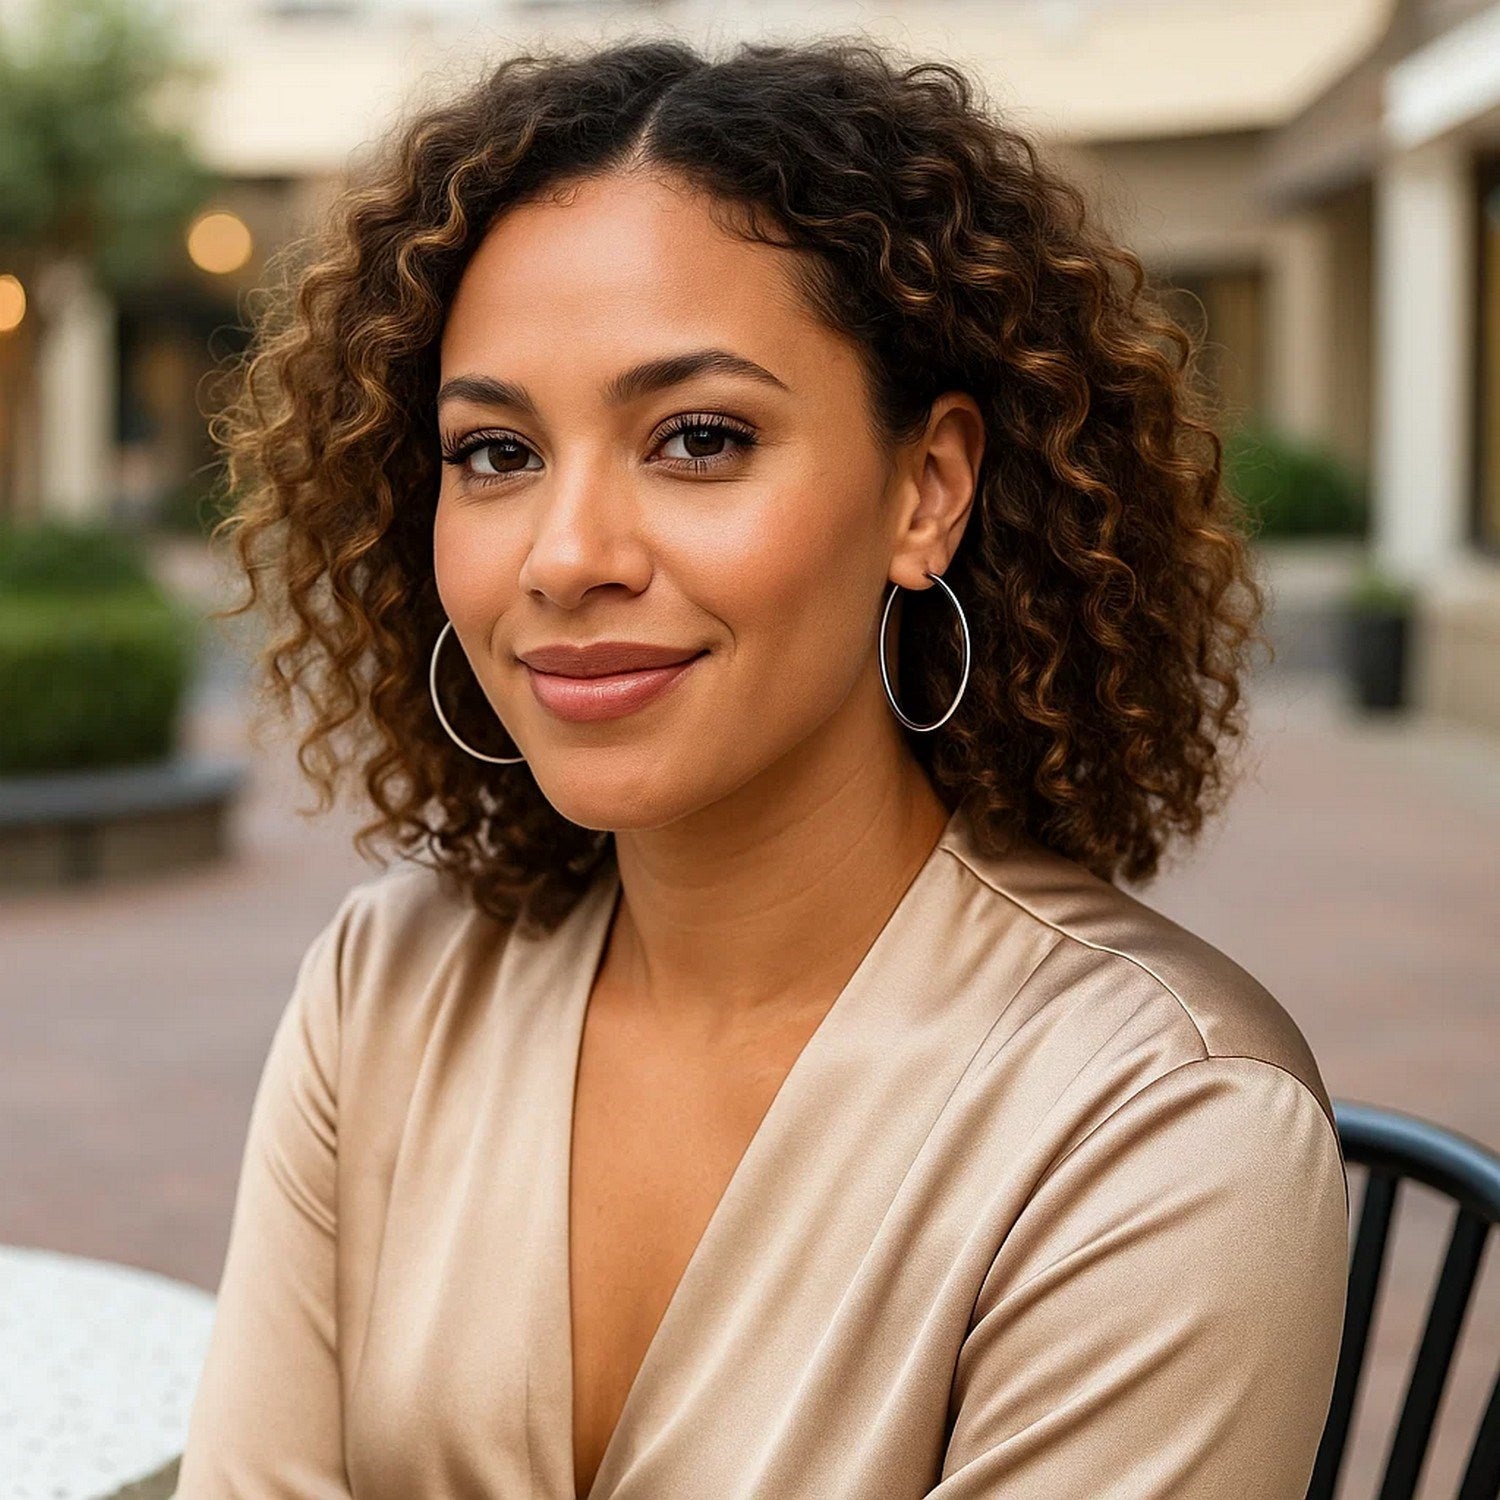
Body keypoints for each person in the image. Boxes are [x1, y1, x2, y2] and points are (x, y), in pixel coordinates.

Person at [175, 34, 1349, 1499]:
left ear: (925, 492)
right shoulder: (389, 991)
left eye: (698, 438)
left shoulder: (1159, 1123)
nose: (566, 557)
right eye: (496, 454)